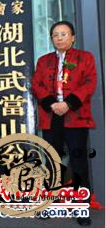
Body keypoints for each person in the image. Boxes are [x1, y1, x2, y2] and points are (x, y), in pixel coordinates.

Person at [31, 21, 96, 226]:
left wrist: (68, 104)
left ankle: (81, 207)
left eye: (64, 34)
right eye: (55, 35)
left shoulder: (85, 58)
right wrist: (53, 104)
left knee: (78, 163)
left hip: (75, 115)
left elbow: (89, 83)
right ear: (51, 39)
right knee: (52, 162)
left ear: (73, 37)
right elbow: (37, 84)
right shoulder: (43, 61)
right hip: (52, 116)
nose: (59, 38)